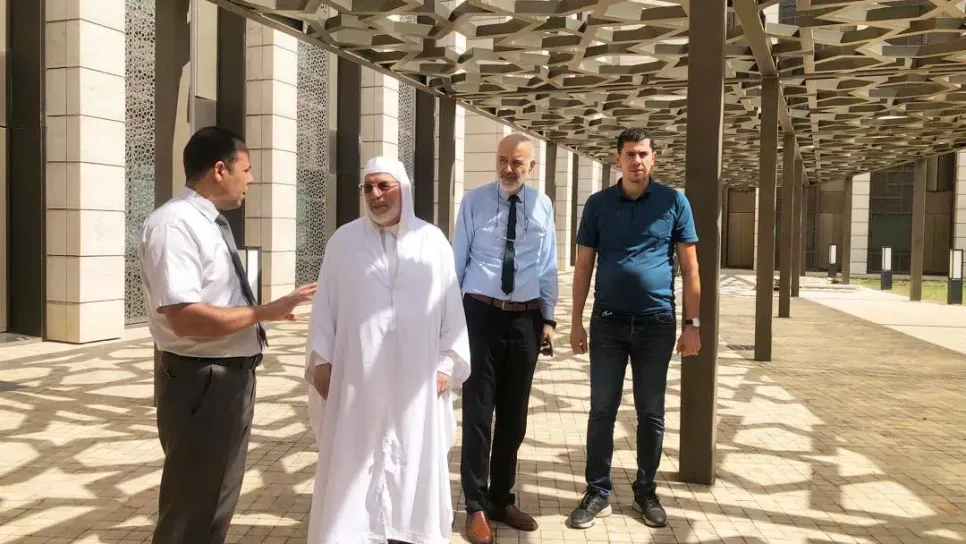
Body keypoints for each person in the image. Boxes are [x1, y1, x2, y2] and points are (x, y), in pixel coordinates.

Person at [139, 126, 317, 544]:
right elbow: (184, 318)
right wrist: (265, 312)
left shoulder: (208, 223)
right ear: (220, 170)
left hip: (227, 379)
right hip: (203, 381)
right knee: (191, 507)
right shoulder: (175, 225)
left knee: (215, 501)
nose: (251, 179)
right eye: (246, 169)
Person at [303, 156, 471, 544]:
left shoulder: (432, 241)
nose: (375, 195)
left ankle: (408, 531)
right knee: (353, 459)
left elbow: (451, 311)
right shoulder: (343, 242)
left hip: (417, 380)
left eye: (384, 186)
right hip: (356, 377)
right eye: (368, 187)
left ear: (404, 189)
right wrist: (321, 360)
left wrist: (447, 364)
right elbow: (324, 308)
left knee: (413, 455)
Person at [567, 127, 701, 529]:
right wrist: (575, 322)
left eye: (643, 154)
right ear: (618, 159)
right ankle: (597, 491)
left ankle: (646, 492)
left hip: (656, 323)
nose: (636, 161)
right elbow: (584, 267)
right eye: (630, 154)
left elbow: (691, 267)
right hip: (607, 323)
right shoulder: (598, 204)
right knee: (601, 410)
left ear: (653, 158)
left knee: (651, 412)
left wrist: (692, 325)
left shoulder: (674, 202)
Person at [453, 133, 558, 544]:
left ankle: (501, 498)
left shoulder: (543, 205)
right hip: (480, 315)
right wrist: (450, 322)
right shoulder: (473, 202)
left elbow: (547, 266)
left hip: (525, 320)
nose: (508, 169)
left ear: (530, 166)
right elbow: (457, 262)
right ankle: (475, 507)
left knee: (514, 419)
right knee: (478, 417)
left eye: (516, 162)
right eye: (502, 160)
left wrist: (548, 319)